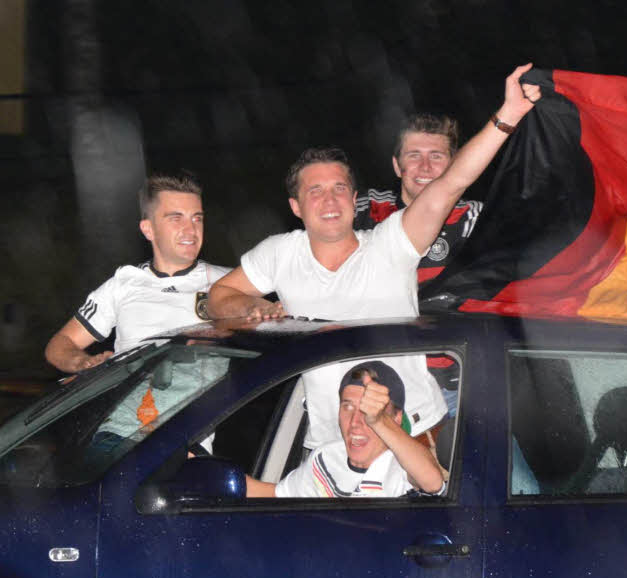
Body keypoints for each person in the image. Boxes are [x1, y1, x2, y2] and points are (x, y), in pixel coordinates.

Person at [209, 64, 540, 447]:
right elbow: (220, 296)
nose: (329, 200)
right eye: (315, 191)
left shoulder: (391, 244)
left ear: (354, 199)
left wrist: (509, 115)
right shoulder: (279, 253)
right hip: (332, 443)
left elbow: (452, 183)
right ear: (295, 206)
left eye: (338, 188)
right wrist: (248, 309)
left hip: (415, 433)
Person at [44, 172, 229, 374]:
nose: (191, 230)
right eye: (176, 219)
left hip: (209, 404)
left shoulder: (230, 282)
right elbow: (60, 344)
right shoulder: (123, 283)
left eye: (197, 219)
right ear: (148, 230)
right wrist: (83, 363)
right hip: (135, 404)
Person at [246, 361, 447, 498]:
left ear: (395, 418)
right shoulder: (325, 459)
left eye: (368, 410)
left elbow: (431, 482)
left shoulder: (400, 464)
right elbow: (277, 494)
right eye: (347, 407)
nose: (355, 422)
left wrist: (378, 421)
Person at [354, 113, 482, 284]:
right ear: (397, 166)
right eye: (414, 155)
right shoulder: (365, 209)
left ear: (454, 166)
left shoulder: (473, 217)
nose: (425, 167)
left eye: (436, 156)